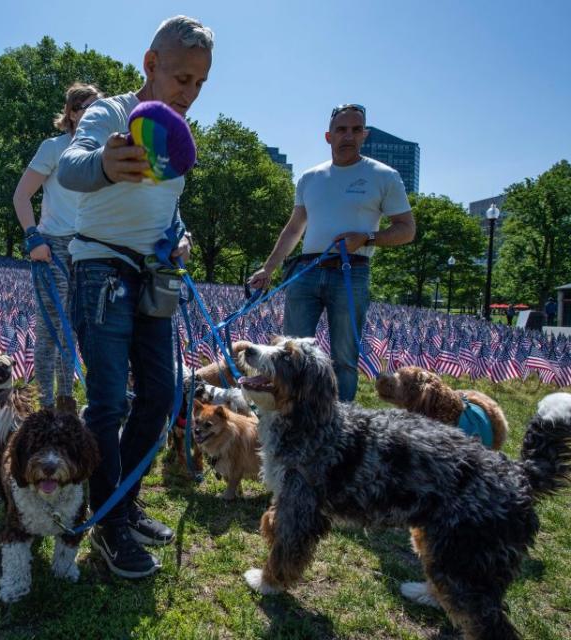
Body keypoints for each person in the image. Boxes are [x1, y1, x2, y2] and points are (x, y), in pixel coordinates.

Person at [57, 15, 212, 579]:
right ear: (150, 65)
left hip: (154, 275)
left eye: (199, 83)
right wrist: (102, 162)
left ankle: (125, 498)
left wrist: (183, 236)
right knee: (108, 404)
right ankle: (109, 526)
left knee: (161, 393)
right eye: (181, 78)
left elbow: (166, 208)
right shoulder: (110, 112)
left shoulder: (177, 134)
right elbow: (72, 167)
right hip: (100, 270)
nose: (190, 92)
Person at [248, 104, 416, 402]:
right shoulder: (310, 178)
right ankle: (293, 421)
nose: (348, 136)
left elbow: (406, 230)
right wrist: (268, 268)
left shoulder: (385, 176)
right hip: (305, 271)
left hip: (352, 272)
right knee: (290, 354)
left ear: (364, 135)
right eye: (341, 129)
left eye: (355, 129)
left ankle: (340, 427)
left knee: (345, 357)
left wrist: (368, 238)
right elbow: (293, 229)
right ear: (329, 136)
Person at [13, 83, 102, 413]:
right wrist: (33, 238)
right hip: (52, 248)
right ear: (73, 113)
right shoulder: (53, 148)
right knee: (51, 328)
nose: (97, 115)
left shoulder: (103, 154)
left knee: (74, 330)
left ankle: (66, 401)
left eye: (101, 109)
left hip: (89, 250)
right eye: (90, 108)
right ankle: (45, 406)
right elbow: (21, 196)